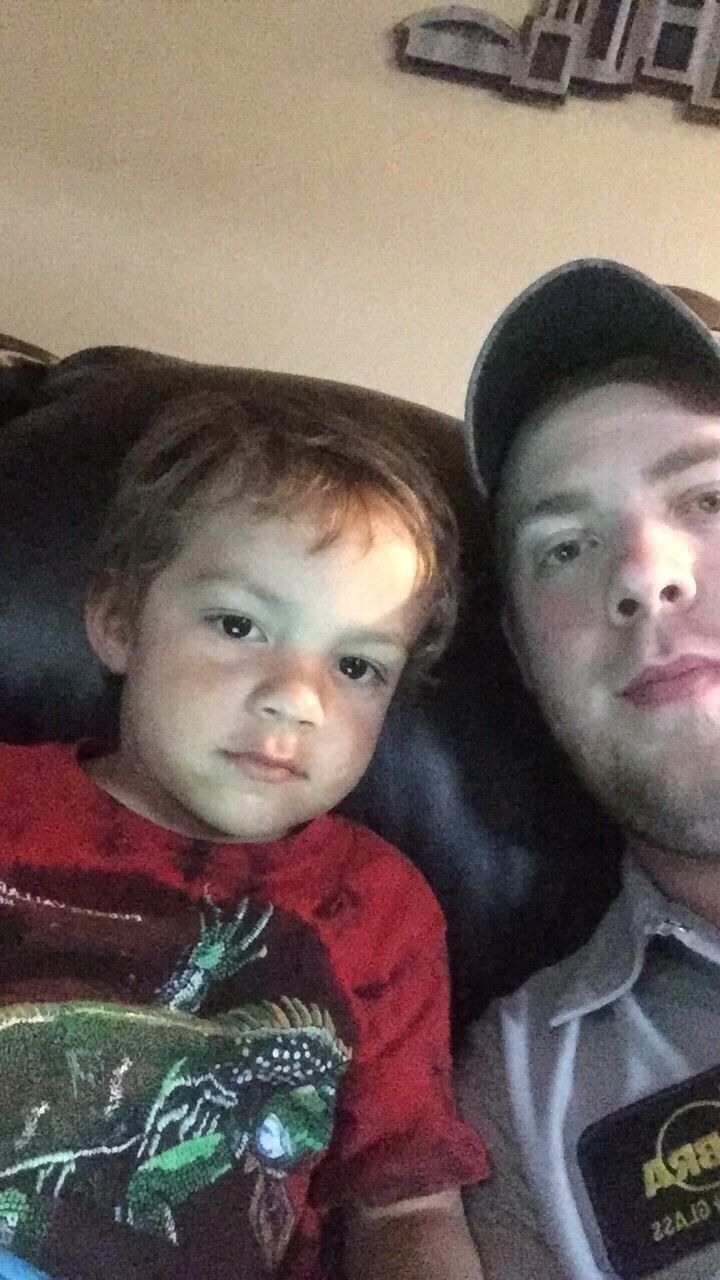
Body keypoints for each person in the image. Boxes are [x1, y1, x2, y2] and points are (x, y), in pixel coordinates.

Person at [0, 388, 487, 1280]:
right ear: (118, 621)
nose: (297, 698)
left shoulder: (379, 912)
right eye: (239, 625)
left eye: (357, 665)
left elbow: (408, 1206)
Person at [458, 258, 720, 1280]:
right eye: (565, 547)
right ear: (524, 659)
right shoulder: (514, 1096)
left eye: (709, 496)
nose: (643, 572)